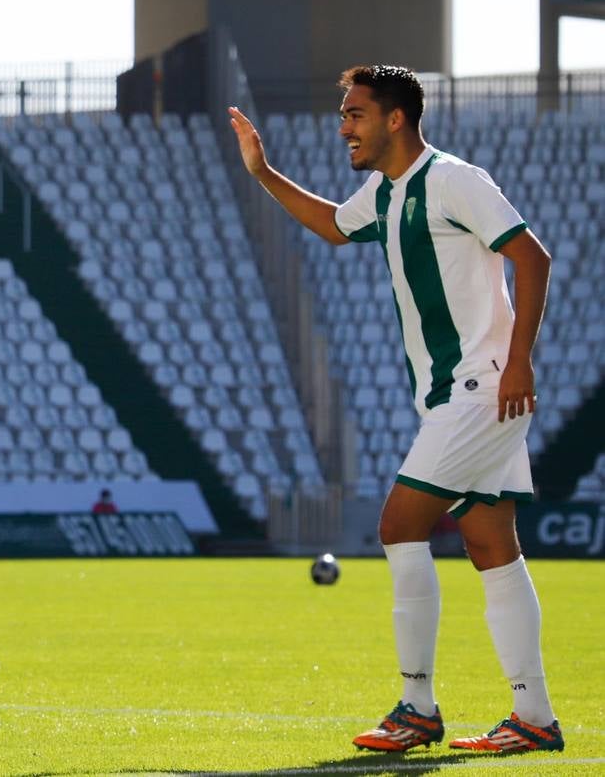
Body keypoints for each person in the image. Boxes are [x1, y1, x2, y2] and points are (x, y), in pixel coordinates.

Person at [229, 65, 561, 754]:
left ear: (395, 119)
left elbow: (531, 258)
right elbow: (331, 226)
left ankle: (416, 705)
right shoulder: (385, 191)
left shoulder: (453, 180)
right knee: (490, 546)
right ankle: (533, 718)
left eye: (354, 114)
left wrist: (520, 361)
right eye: (342, 114)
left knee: (398, 526)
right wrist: (263, 172)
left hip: (484, 385)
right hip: (454, 392)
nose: (343, 126)